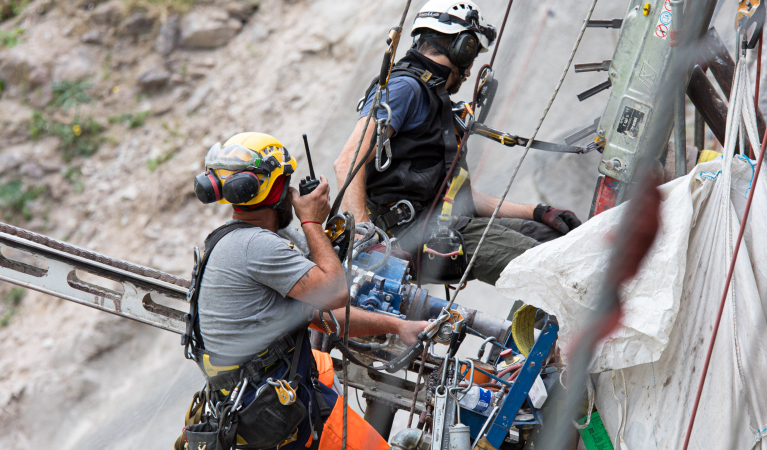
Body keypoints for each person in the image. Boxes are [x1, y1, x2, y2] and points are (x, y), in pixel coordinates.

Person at [186, 132, 428, 450]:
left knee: (324, 368)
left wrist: (398, 326)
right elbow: (334, 294)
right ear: (273, 188)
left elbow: (322, 317)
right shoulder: (257, 246)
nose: (292, 193)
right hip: (275, 418)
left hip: (266, 395)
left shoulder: (225, 241)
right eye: (286, 183)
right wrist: (311, 221)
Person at [334, 0, 582, 286]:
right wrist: (369, 242)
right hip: (415, 236)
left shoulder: (431, 96)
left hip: (450, 224)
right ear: (461, 47)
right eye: (473, 53)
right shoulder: (405, 88)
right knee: (556, 271)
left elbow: (462, 196)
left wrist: (539, 212)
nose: (470, 68)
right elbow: (347, 162)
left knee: (559, 240)